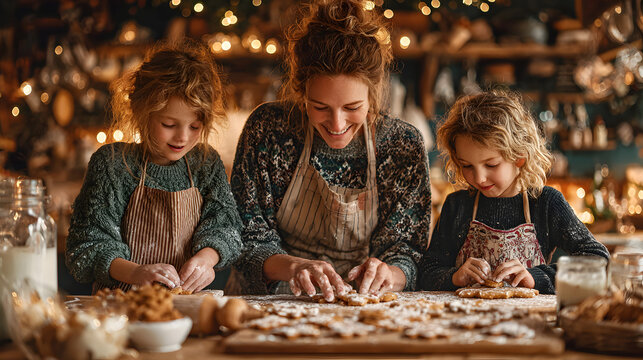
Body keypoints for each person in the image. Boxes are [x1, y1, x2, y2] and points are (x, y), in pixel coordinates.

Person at [228, 0, 431, 301]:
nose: (336, 124)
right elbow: (245, 237)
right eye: (320, 107)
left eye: (353, 107)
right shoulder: (269, 129)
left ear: (373, 94)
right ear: (301, 91)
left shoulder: (401, 144)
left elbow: (407, 250)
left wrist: (391, 272)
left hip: (365, 303)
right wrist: (294, 267)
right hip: (273, 301)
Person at [65, 40, 242, 293]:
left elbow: (227, 227)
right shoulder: (114, 164)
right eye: (169, 124)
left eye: (194, 127)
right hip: (121, 308)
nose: (182, 137)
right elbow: (86, 246)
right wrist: (136, 272)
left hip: (187, 306)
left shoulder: (206, 163)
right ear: (141, 112)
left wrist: (207, 259)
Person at [419, 90, 609, 294]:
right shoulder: (457, 205)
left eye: (491, 165)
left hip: (529, 320)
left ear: (519, 158)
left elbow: (598, 260)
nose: (479, 178)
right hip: (464, 320)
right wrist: (454, 276)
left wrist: (536, 276)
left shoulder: (545, 203)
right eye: (467, 166)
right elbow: (426, 273)